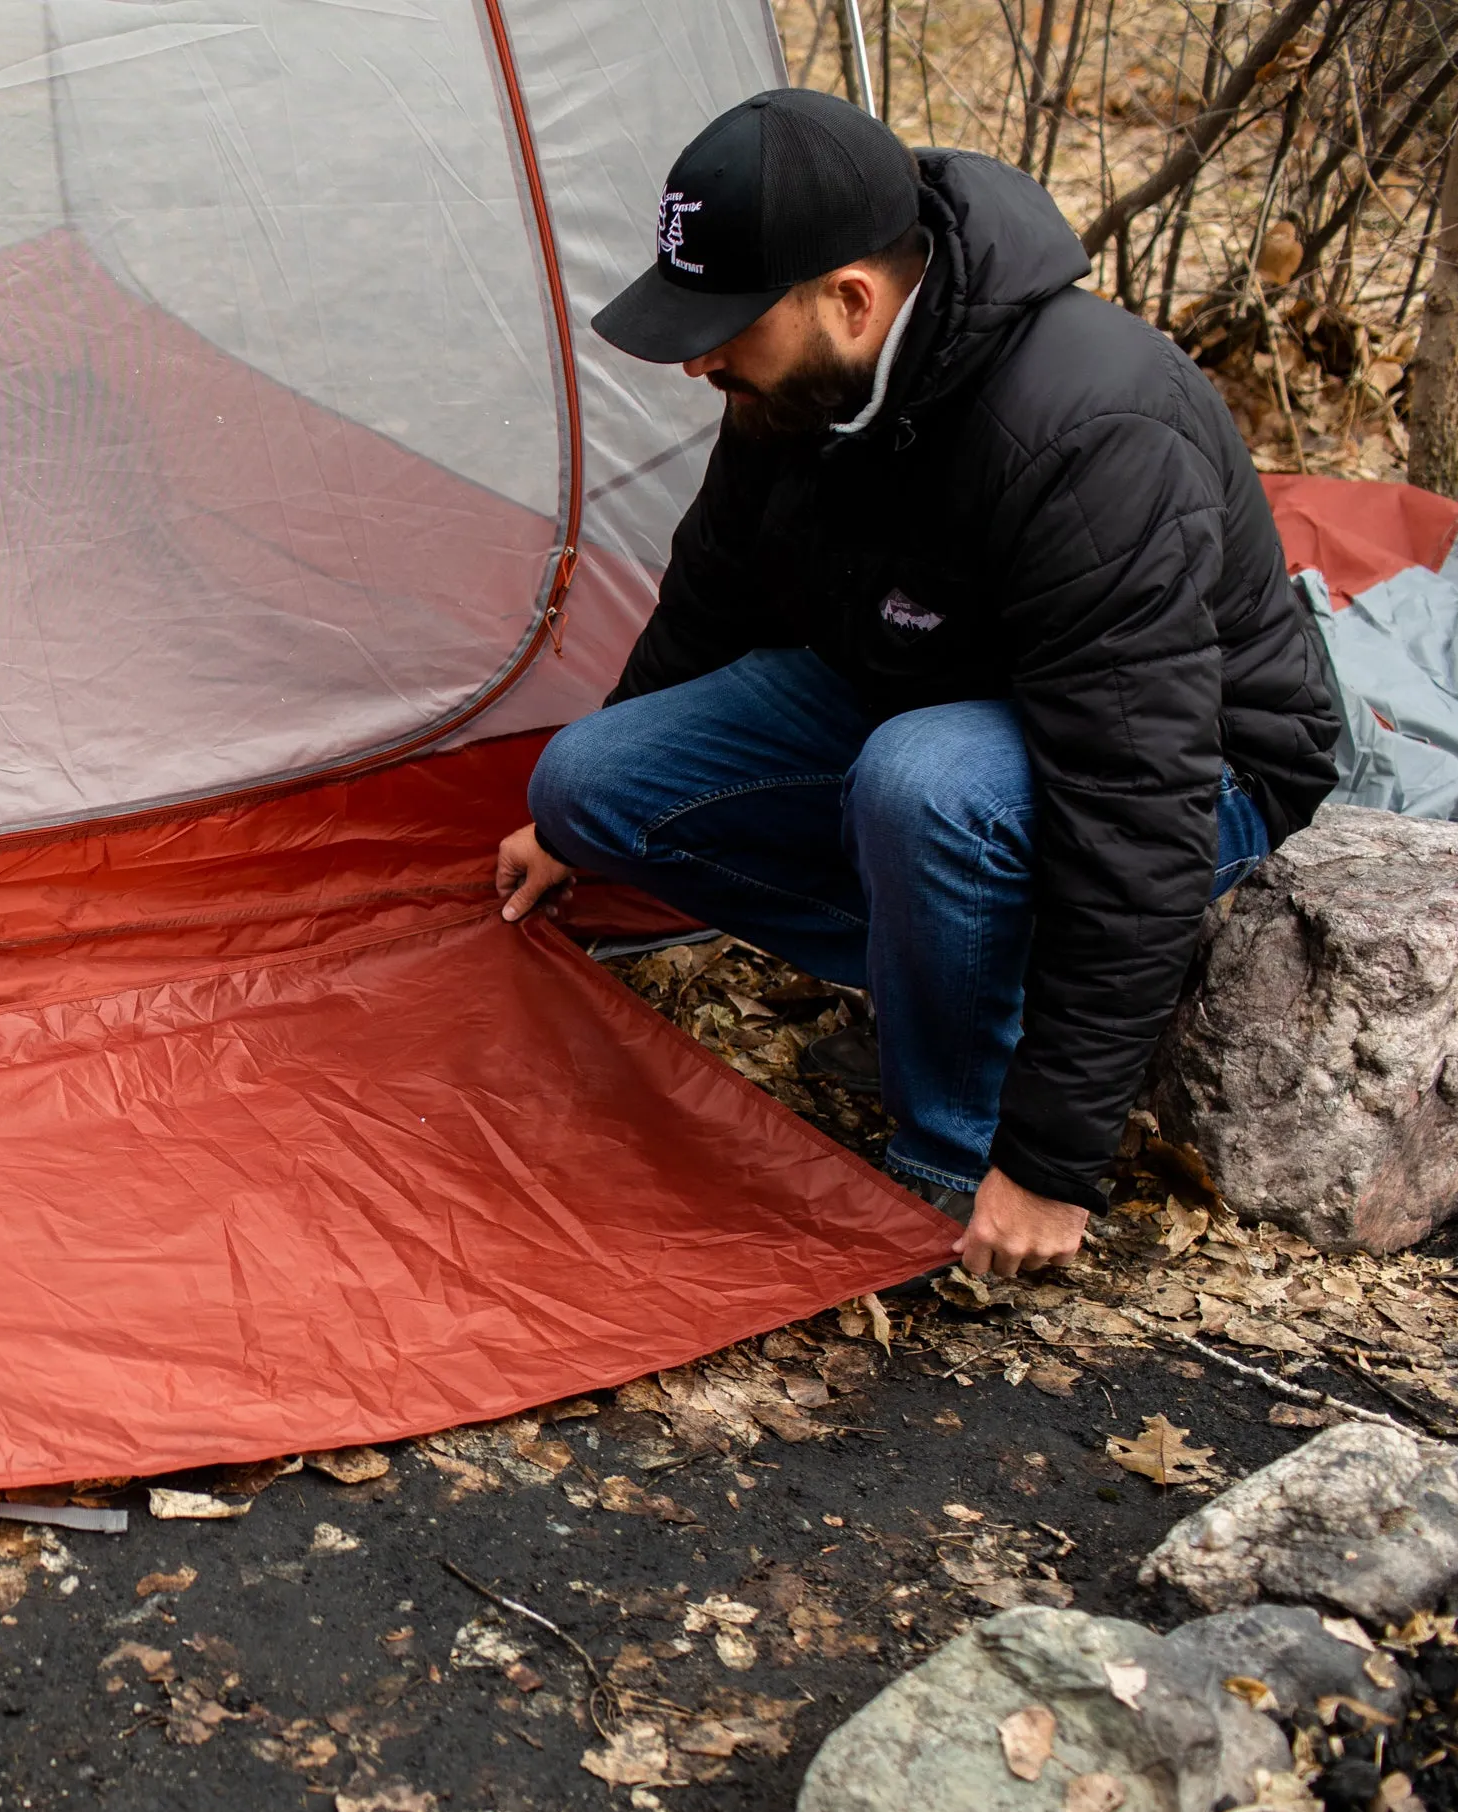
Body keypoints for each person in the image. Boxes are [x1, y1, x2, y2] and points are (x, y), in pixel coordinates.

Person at [493, 90, 1338, 1278]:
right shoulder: (798, 380)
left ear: (852, 298)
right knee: (592, 778)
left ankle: (954, 1148)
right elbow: (712, 592)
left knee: (925, 784)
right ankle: (951, 950)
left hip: (1197, 770)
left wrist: (1052, 1160)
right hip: (920, 684)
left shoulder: (1086, 431)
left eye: (727, 323)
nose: (699, 357)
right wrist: (568, 828)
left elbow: (1138, 793)